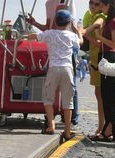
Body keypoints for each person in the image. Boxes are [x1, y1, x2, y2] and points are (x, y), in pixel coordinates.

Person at [27, 0, 80, 126]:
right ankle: (57, 114)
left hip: (67, 43)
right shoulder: (47, 3)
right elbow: (49, 26)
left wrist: (51, 36)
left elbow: (60, 14)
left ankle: (72, 118)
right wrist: (34, 23)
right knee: (58, 83)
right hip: (56, 43)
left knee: (70, 83)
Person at [31, 10, 82, 142]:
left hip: (53, 68)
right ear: (69, 23)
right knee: (68, 101)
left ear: (55, 21)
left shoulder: (50, 34)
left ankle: (51, 125)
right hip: (67, 69)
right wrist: (77, 30)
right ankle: (66, 131)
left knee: (48, 98)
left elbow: (35, 36)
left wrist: (23, 37)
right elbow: (80, 41)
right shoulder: (72, 36)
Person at [92, 0, 115, 142]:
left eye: (102, 5)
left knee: (109, 95)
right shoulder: (111, 21)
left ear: (108, 5)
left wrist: (99, 36)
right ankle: (109, 127)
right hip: (105, 56)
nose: (101, 8)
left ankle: (110, 128)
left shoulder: (114, 21)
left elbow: (114, 43)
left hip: (109, 58)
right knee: (106, 94)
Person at [81, 0, 107, 139]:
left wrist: (84, 32)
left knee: (101, 95)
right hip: (94, 59)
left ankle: (102, 126)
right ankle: (101, 125)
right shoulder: (88, 15)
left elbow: (97, 24)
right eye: (91, 2)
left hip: (101, 58)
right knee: (98, 95)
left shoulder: (102, 17)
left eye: (97, 4)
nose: (93, 6)